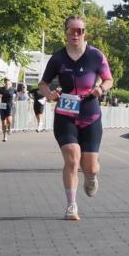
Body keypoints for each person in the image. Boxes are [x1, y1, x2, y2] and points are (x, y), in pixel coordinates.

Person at [38, 16, 113, 221]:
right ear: (66, 32)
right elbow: (43, 84)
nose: (76, 34)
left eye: (80, 30)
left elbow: (109, 79)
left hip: (90, 115)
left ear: (84, 33)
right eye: (72, 30)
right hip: (65, 115)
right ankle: (71, 206)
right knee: (72, 159)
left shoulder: (96, 56)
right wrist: (49, 94)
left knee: (90, 166)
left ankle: (92, 176)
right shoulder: (58, 58)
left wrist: (100, 88)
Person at [0, 78, 19, 142]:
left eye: (8, 82)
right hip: (3, 106)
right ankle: (5, 136)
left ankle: (10, 128)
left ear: (10, 83)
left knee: (9, 121)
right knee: (4, 123)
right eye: (5, 82)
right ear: (4, 83)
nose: (7, 83)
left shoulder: (12, 89)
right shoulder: (1, 89)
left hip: (9, 106)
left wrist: (15, 101)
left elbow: (17, 94)